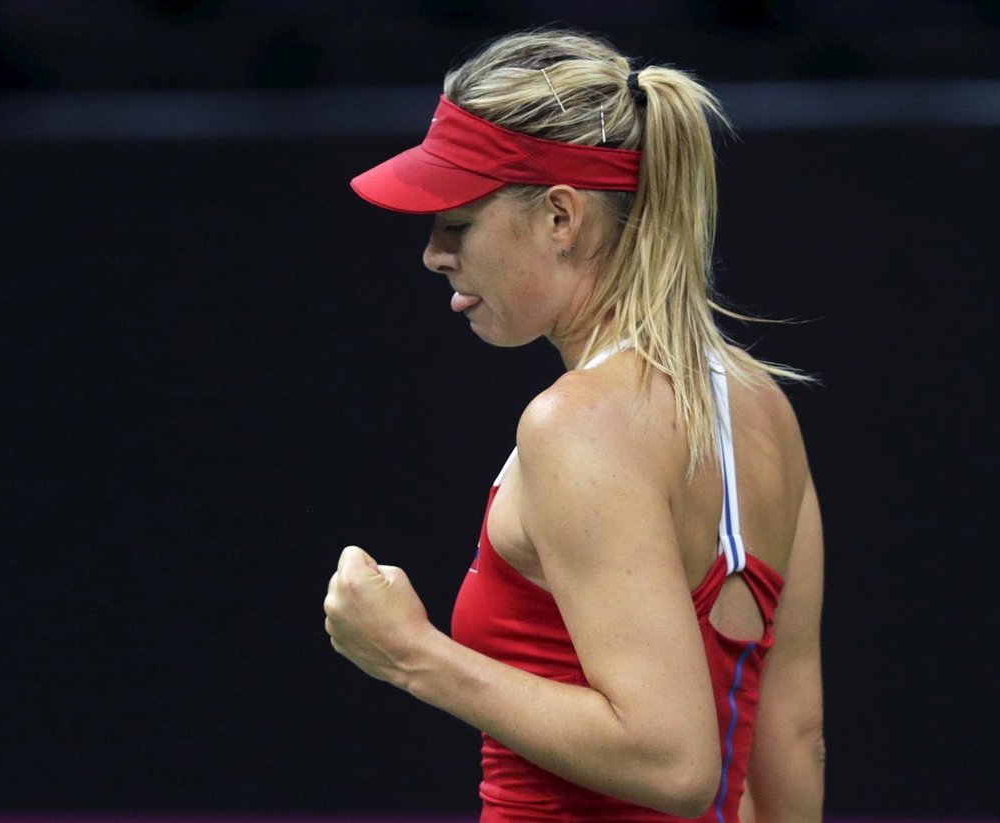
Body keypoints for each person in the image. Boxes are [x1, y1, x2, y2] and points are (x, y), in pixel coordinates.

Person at [322, 29, 824, 823]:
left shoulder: (575, 425)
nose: (432, 254)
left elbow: (674, 762)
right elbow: (794, 740)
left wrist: (412, 653)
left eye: (458, 224)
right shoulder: (762, 405)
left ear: (561, 216)